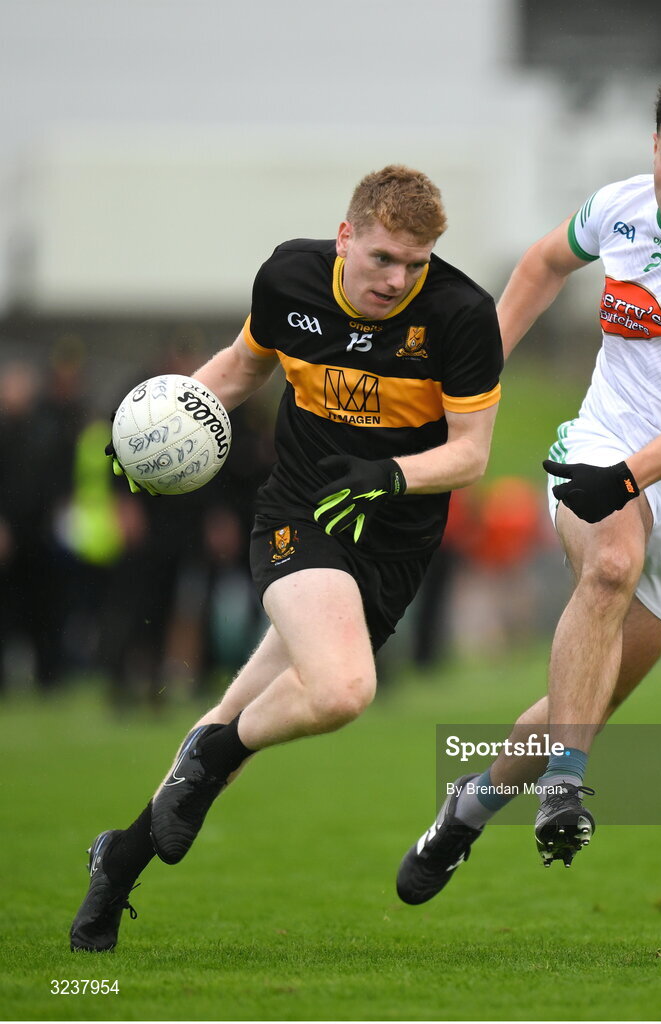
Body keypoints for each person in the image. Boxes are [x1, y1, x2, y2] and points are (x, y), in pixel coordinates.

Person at [70, 165, 503, 951]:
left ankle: (119, 862)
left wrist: (392, 476)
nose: (397, 279)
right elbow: (239, 369)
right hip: (300, 515)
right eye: (381, 258)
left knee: (243, 710)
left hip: (393, 544)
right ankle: (214, 754)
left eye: (415, 263)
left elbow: (471, 454)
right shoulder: (290, 277)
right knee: (339, 692)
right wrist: (151, 432)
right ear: (345, 238)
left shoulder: (461, 315)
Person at [396, 73, 661, 904]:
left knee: (576, 706)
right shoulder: (619, 207)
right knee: (610, 565)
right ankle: (567, 789)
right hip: (602, 443)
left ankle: (466, 808)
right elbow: (543, 262)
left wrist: (629, 476)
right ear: (653, 147)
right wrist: (480, 374)